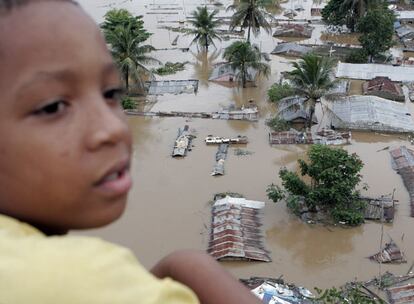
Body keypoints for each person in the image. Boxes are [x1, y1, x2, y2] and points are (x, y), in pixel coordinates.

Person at [0, 1, 261, 303]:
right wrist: (192, 265)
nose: (113, 128)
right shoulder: (78, 279)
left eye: (111, 93)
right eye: (53, 107)